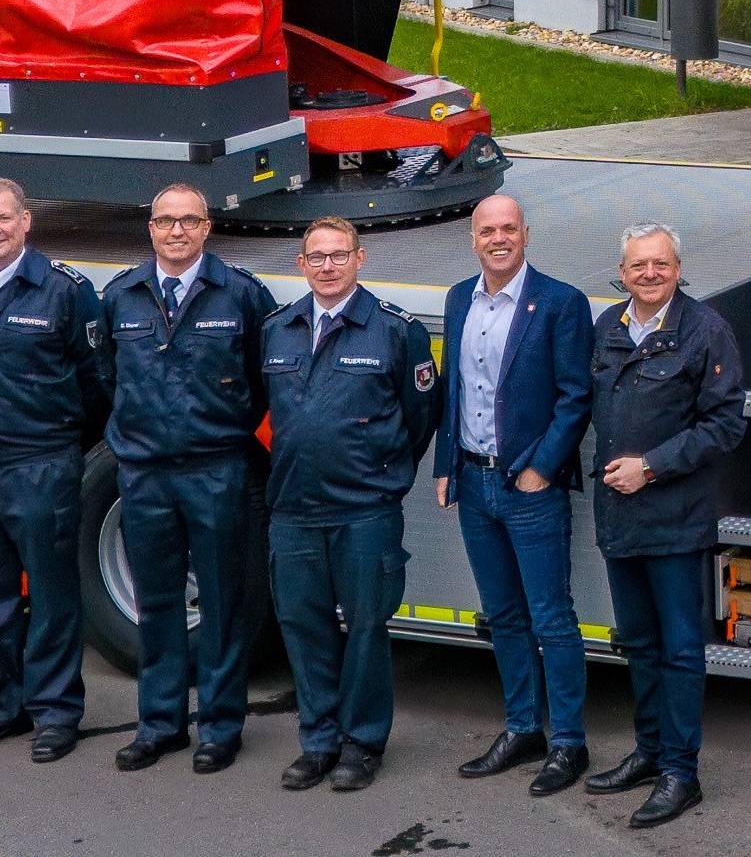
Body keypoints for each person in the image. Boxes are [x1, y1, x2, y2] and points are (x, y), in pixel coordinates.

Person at [260, 216, 438, 793]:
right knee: (302, 625)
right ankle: (318, 742)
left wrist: (380, 473)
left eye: (340, 255)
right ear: (301, 265)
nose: (328, 266)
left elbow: (419, 418)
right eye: (317, 256)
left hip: (364, 508)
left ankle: (361, 743)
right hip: (293, 509)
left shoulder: (394, 331)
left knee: (364, 628)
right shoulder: (278, 329)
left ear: (361, 260)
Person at [100, 184, 273, 774]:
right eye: (166, 221)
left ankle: (221, 729)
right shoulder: (121, 295)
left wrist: (219, 431)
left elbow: (263, 376)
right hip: (144, 474)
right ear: (150, 228)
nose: (177, 231)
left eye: (189, 221)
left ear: (208, 228)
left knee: (224, 604)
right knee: (157, 604)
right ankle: (160, 725)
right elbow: (106, 379)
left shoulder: (242, 295)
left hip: (215, 470)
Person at [583, 223, 744, 829]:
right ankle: (649, 752)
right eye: (637, 266)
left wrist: (651, 467)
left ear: (679, 268)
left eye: (661, 264)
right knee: (640, 644)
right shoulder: (608, 329)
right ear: (621, 273)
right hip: (620, 519)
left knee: (679, 650)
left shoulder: (705, 331)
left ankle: (682, 772)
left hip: (676, 519)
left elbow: (725, 424)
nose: (649, 274)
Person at [432, 195, 594, 796]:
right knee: (503, 615)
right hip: (473, 483)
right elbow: (454, 389)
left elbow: (576, 396)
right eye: (487, 231)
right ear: (473, 239)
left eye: (508, 229)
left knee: (553, 618)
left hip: (529, 487)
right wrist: (447, 463)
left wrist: (541, 469)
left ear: (525, 234)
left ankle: (568, 744)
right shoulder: (457, 300)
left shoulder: (560, 302)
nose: (498, 239)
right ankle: (523, 727)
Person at [0, 176, 110, 765]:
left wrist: (65, 443)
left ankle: (55, 712)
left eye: (3, 217)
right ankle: (5, 706)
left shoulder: (64, 291)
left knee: (50, 595)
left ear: (25, 221)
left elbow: (97, 381)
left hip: (40, 460)